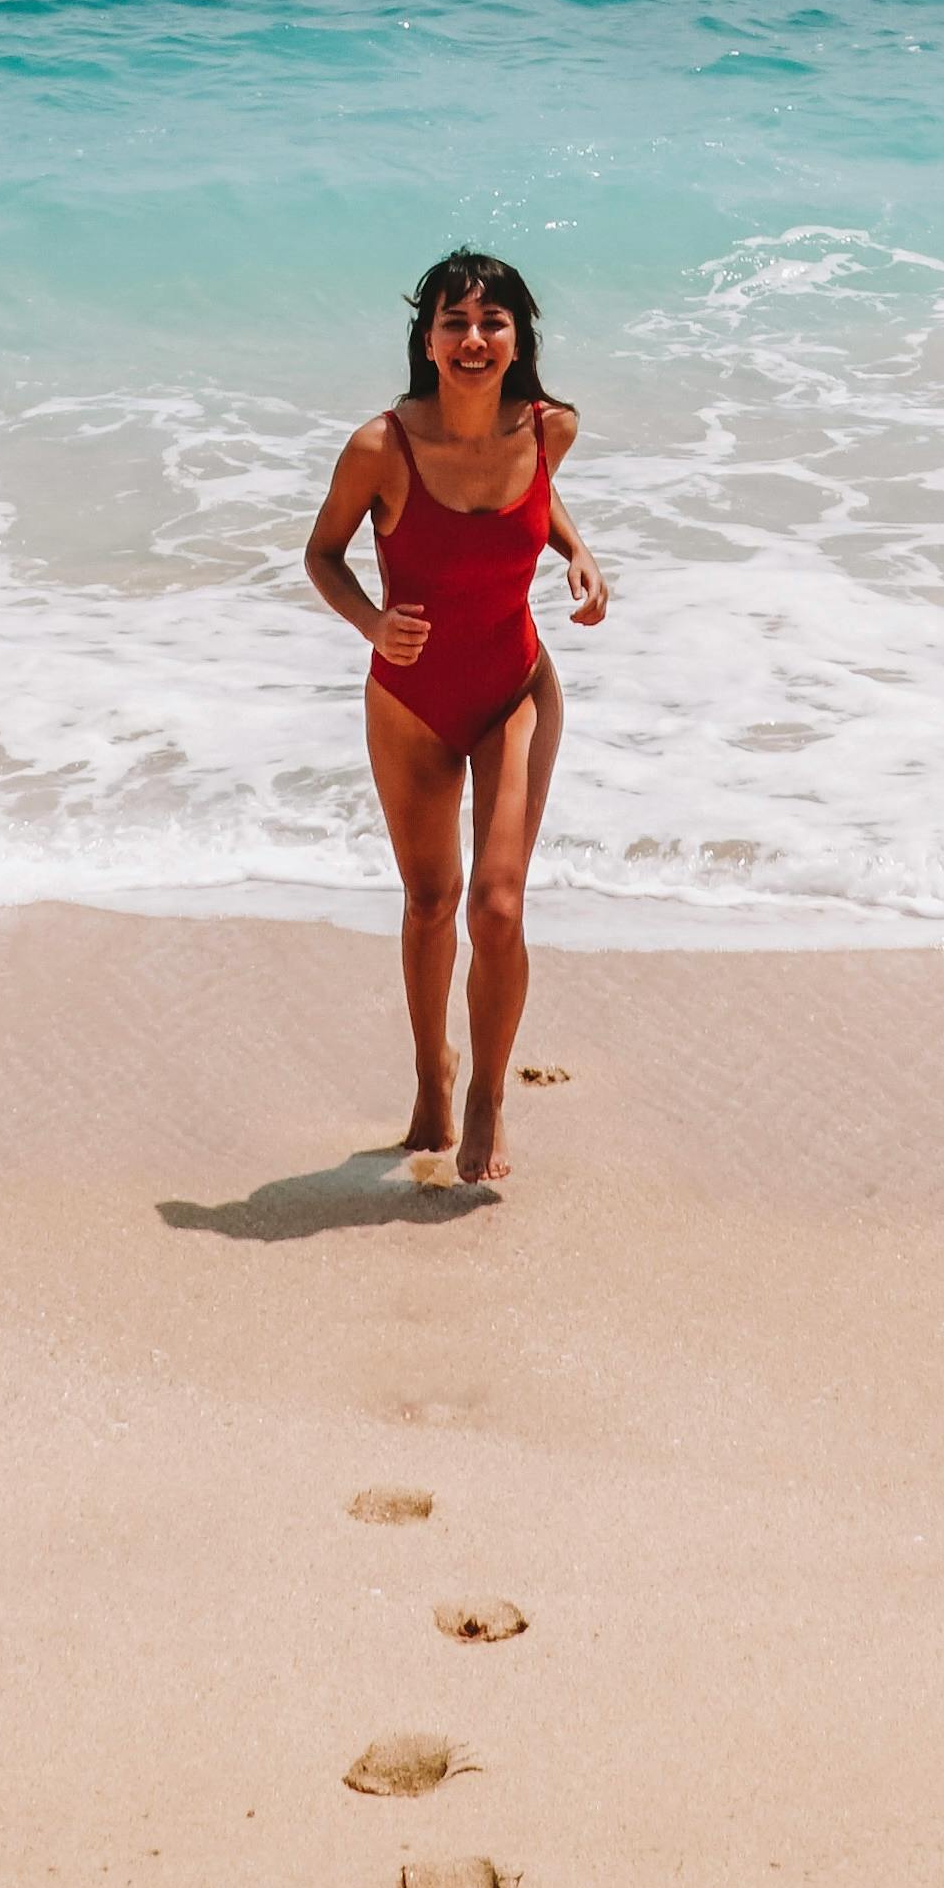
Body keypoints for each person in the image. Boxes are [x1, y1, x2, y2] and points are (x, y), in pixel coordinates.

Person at [302, 247, 608, 1188]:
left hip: (514, 688)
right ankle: (431, 1076)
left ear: (518, 338)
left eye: (492, 322)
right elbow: (322, 553)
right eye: (453, 322)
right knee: (432, 903)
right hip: (410, 702)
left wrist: (578, 550)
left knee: (499, 903)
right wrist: (370, 622)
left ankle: (485, 1098)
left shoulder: (549, 426)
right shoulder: (380, 447)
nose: (473, 339)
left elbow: (534, 500)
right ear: (426, 340)